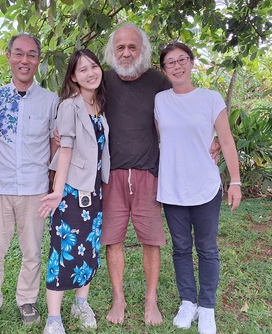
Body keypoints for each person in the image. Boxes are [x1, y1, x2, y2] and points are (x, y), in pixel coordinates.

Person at [155, 42, 242, 334]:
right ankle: (187, 302)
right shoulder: (159, 101)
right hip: (172, 187)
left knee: (206, 248)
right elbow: (160, 139)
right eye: (170, 62)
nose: (177, 66)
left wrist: (236, 182)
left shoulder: (210, 98)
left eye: (182, 60)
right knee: (180, 248)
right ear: (164, 69)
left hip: (205, 186)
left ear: (191, 63)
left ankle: (206, 307)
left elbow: (226, 141)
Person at [0, 33, 59, 328]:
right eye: (18, 53)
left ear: (38, 60)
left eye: (31, 54)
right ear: (8, 56)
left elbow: (55, 143)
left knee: (32, 250)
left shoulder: (50, 101)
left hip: (34, 188)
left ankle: (27, 299)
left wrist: (52, 182)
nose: (24, 60)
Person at [100, 23, 171, 325]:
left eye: (132, 47)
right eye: (120, 47)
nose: (126, 53)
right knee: (113, 241)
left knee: (151, 241)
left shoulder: (159, 81)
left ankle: (151, 301)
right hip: (111, 175)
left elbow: (176, 119)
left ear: (142, 50)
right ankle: (119, 299)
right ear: (112, 52)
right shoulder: (101, 81)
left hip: (148, 174)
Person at [37, 49, 110, 334]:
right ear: (73, 77)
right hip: (71, 191)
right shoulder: (70, 105)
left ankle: (81, 304)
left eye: (94, 66)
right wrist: (57, 192)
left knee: (89, 249)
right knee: (63, 252)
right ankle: (53, 320)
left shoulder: (98, 105)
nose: (90, 73)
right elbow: (65, 149)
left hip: (94, 190)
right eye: (83, 70)